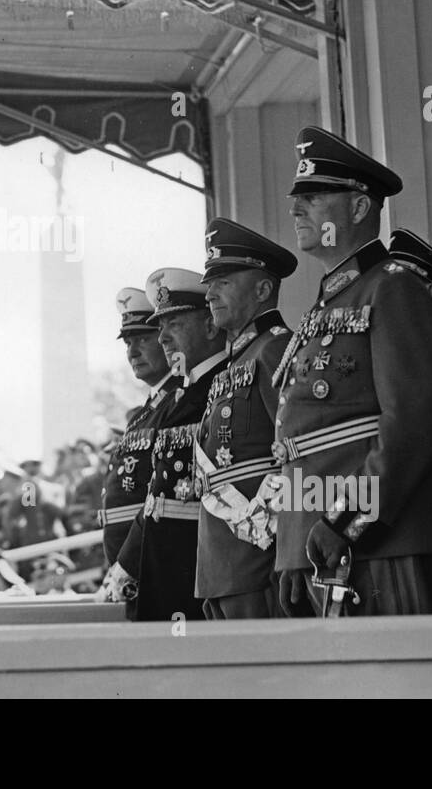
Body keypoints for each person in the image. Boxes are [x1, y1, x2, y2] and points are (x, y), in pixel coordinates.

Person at [274, 127, 432, 617]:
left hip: (388, 539)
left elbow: (411, 423)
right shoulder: (330, 301)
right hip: (329, 543)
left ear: (359, 209)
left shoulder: (392, 288)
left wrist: (344, 521)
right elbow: (305, 439)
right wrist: (295, 544)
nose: (296, 209)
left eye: (313, 198)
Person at [107, 268, 227, 622]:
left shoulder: (210, 391)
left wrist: (127, 563)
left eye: (173, 325)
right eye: (159, 328)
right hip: (155, 565)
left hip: (189, 566)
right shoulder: (166, 405)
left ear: (209, 326)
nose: (162, 339)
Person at [194, 218, 296, 619]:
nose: (210, 293)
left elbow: (293, 453)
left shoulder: (277, 350)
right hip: (221, 562)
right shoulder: (232, 364)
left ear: (263, 289)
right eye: (210, 282)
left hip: (257, 558)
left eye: (224, 281)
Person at [97, 287, 177, 578]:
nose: (132, 351)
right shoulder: (149, 409)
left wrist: (127, 564)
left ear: (167, 339)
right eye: (128, 342)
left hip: (151, 561)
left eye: (143, 339)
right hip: (130, 562)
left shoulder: (179, 402)